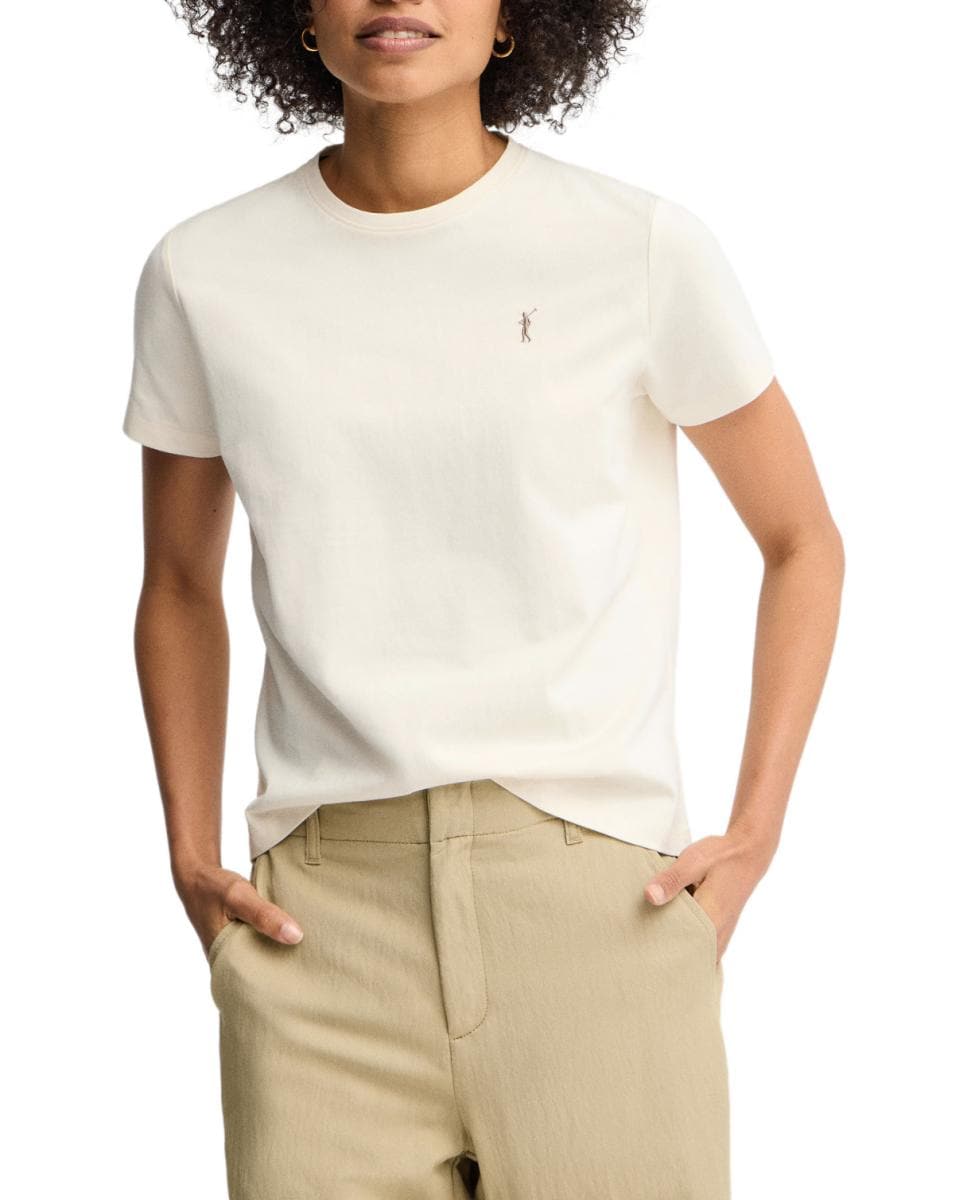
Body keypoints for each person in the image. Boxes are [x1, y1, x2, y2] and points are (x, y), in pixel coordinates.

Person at [122, 2, 844, 1197]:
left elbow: (800, 539)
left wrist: (754, 834)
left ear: (519, 14)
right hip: (317, 930)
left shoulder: (633, 246)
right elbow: (179, 584)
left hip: (597, 909)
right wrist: (190, 856)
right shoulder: (204, 272)